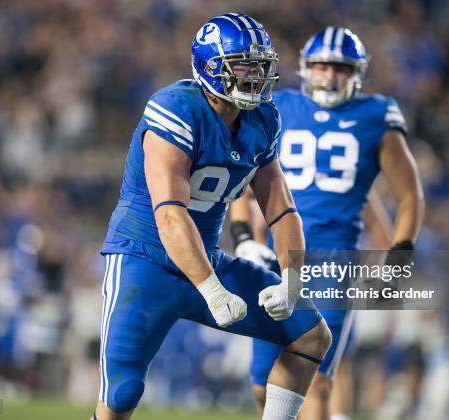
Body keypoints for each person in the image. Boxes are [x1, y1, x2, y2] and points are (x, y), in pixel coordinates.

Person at [93, 13, 332, 420]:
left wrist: (292, 279)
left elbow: (281, 208)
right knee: (122, 395)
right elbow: (170, 216)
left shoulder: (262, 119)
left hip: (205, 257)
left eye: (260, 64)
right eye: (243, 64)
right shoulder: (175, 109)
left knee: (310, 335)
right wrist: (212, 290)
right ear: (210, 67)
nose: (256, 74)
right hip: (144, 260)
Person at [229, 26, 425, 420]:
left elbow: (410, 195)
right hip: (275, 260)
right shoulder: (278, 106)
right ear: (306, 68)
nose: (330, 76)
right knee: (262, 386)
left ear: (357, 72)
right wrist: (243, 235)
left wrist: (399, 252)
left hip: (331, 264)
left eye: (340, 68)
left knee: (315, 381)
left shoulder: (376, 115)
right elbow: (242, 179)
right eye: (322, 67)